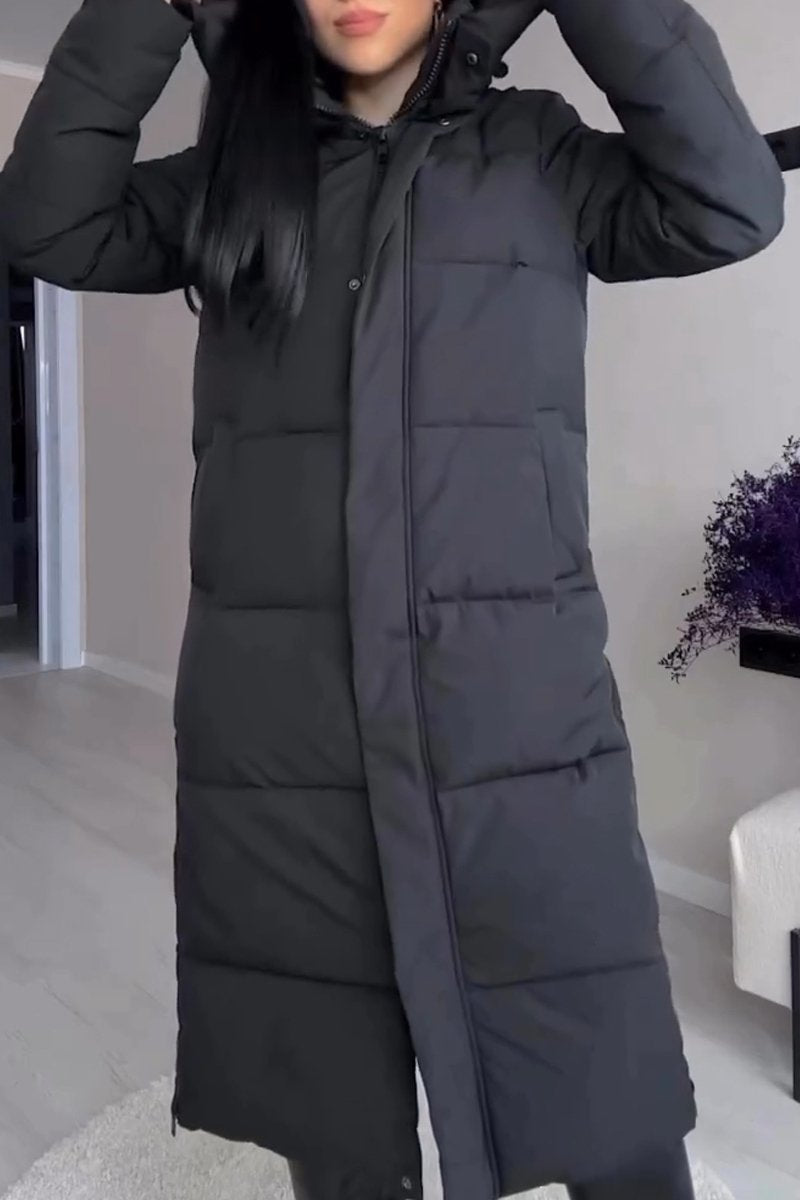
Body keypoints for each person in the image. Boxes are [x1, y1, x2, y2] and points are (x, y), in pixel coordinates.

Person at [0, 0, 784, 1197]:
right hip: (286, 737)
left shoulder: (536, 152)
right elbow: (47, 223)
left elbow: (728, 201)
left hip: (517, 725)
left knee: (597, 1083)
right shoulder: (236, 175)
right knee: (334, 1113)